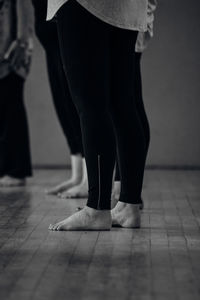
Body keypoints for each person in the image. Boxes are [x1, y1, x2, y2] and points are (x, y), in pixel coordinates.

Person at [47, 0, 148, 231]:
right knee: (122, 103)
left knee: (90, 105)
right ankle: (128, 206)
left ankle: (97, 208)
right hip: (127, 7)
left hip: (85, 4)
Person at [31, 0, 89, 198]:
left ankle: (89, 180)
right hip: (50, 41)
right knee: (63, 106)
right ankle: (77, 174)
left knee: (78, 105)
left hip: (65, 32)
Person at [112, 0, 157, 209]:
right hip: (131, 16)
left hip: (129, 17)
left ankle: (128, 195)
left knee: (127, 103)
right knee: (128, 102)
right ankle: (125, 194)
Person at [0, 0, 33, 187]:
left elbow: (24, 10)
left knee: (11, 110)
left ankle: (15, 170)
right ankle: (7, 169)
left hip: (11, 55)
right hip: (6, 51)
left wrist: (21, 42)